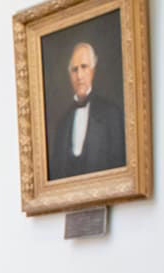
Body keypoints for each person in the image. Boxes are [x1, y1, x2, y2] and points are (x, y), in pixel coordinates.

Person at [47, 41, 125, 181]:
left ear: (93, 71)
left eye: (84, 67)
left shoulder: (111, 114)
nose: (79, 76)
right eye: (74, 70)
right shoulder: (62, 124)